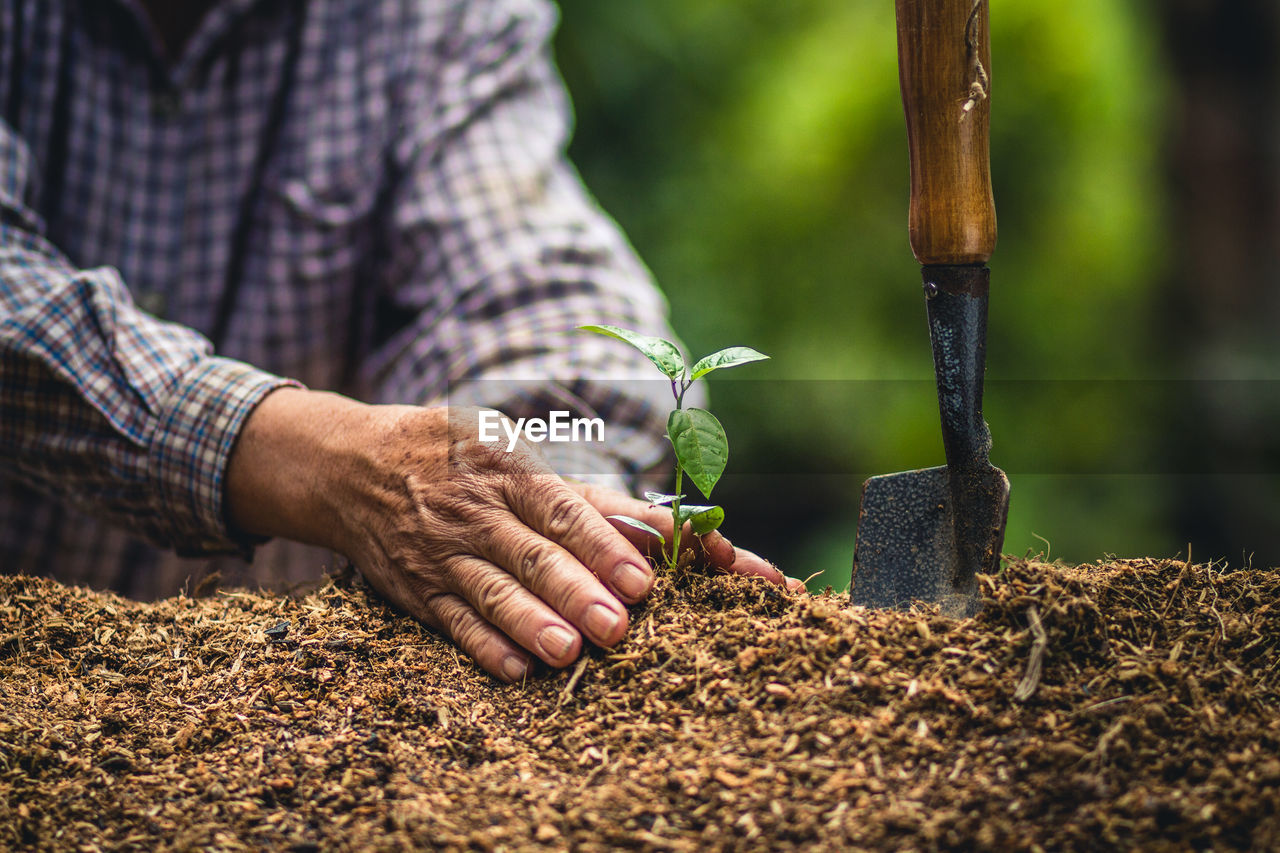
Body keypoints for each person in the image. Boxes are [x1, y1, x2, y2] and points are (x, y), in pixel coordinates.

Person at [0, 0, 796, 683]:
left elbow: (538, 288)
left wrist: (544, 506)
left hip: (288, 729)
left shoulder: (426, 18)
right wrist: (322, 461)